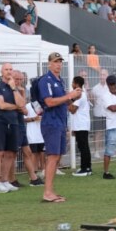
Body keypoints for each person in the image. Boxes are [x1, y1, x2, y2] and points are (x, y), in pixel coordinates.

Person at [37, 51, 82, 203]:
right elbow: (49, 102)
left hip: (60, 122)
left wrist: (74, 97)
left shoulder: (60, 80)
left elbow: (64, 101)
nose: (58, 64)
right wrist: (69, 96)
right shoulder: (46, 80)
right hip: (51, 122)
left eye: (60, 62)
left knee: (57, 158)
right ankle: (47, 192)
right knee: (52, 156)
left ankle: (50, 190)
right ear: (49, 63)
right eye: (56, 61)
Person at [0, 63, 24, 194]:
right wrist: (16, 107)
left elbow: (22, 104)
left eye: (10, 69)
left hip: (14, 122)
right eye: (6, 69)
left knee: (11, 152)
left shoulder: (14, 88)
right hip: (0, 122)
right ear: (1, 72)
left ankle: (5, 180)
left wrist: (14, 89)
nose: (9, 72)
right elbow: (1, 105)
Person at [9, 70, 43, 188]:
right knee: (12, 154)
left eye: (21, 79)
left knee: (28, 152)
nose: (19, 81)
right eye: (16, 79)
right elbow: (22, 108)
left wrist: (22, 97)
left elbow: (23, 108)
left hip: (21, 125)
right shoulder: (9, 90)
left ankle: (33, 178)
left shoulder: (21, 91)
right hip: (13, 124)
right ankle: (11, 179)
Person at [69, 75, 92, 177]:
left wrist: (67, 100)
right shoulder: (82, 94)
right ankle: (87, 167)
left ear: (76, 84)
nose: (71, 84)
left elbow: (73, 109)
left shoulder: (80, 94)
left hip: (81, 124)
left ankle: (84, 169)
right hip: (81, 124)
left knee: (83, 147)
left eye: (73, 82)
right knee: (84, 146)